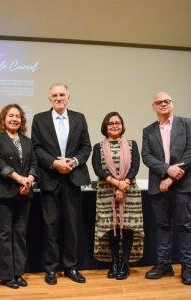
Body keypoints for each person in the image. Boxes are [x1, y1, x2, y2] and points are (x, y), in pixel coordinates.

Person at [31, 83, 91, 285]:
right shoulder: (39, 119)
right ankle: (51, 269)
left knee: (72, 226)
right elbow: (36, 148)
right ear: (49, 99)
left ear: (68, 97)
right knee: (51, 226)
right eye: (54, 95)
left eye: (62, 95)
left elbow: (86, 147)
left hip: (73, 179)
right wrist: (54, 163)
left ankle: (71, 267)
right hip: (50, 178)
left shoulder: (79, 118)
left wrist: (73, 162)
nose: (58, 98)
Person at [141, 92, 191, 285]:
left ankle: (187, 266)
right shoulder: (148, 130)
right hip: (158, 186)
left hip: (183, 184)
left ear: (172, 104)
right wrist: (167, 170)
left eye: (167, 101)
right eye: (159, 102)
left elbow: (190, 152)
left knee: (186, 227)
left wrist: (171, 177)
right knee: (162, 226)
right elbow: (146, 156)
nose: (163, 104)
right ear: (153, 106)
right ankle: (164, 265)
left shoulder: (187, 124)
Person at [0, 104, 38, 289]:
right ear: (3, 118)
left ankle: (18, 273)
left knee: (20, 234)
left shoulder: (27, 141)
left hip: (24, 193)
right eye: (11, 116)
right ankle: (6, 275)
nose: (14, 119)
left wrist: (30, 180)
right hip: (3, 193)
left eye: (18, 116)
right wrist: (19, 179)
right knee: (4, 234)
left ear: (22, 120)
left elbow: (34, 163)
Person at [92, 112, 144, 280]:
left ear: (122, 125)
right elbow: (97, 170)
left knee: (128, 228)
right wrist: (116, 183)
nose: (115, 126)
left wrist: (124, 184)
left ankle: (125, 263)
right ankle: (114, 262)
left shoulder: (131, 144)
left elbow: (135, 166)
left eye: (118, 123)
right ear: (105, 127)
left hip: (130, 191)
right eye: (111, 123)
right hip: (107, 191)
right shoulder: (98, 147)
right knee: (112, 228)